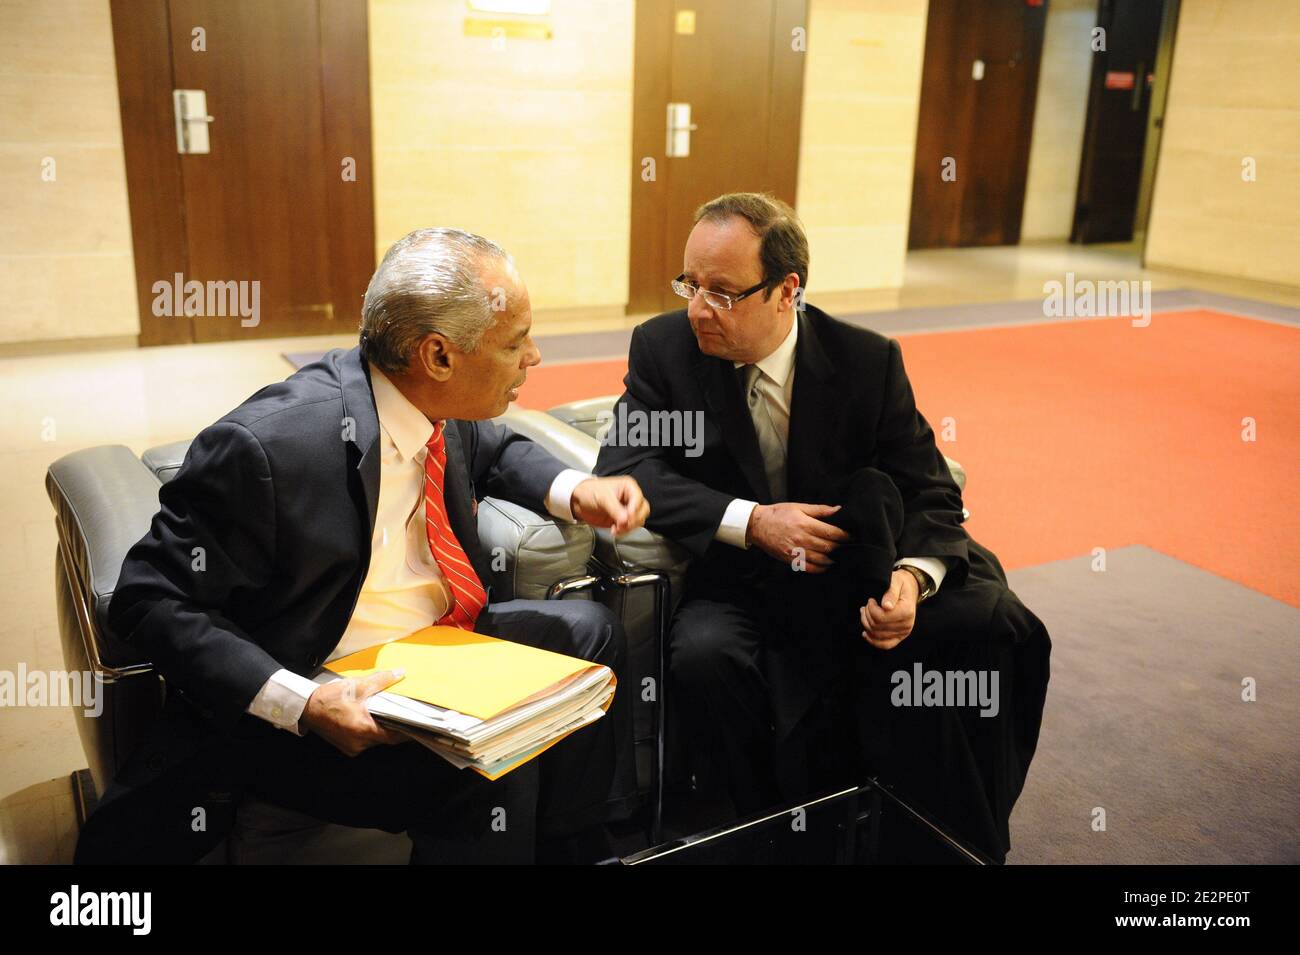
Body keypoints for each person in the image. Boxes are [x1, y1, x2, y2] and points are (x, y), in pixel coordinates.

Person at [80, 228, 648, 865]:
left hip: (436, 651)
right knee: (489, 762)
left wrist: (577, 489)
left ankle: (580, 846)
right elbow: (147, 600)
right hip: (318, 693)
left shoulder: (436, 400)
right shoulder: (270, 448)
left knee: (591, 636)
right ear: (438, 355)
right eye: (516, 343)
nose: (535, 357)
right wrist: (307, 702)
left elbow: (500, 448)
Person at [595, 193, 1050, 862]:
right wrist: (751, 521)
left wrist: (911, 581)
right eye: (689, 283)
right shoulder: (665, 349)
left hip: (855, 572)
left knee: (994, 628)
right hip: (741, 579)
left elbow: (928, 486)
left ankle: (943, 832)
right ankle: (767, 828)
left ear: (787, 291)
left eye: (721, 292)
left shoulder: (866, 361)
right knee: (702, 657)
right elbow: (625, 463)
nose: (696, 308)